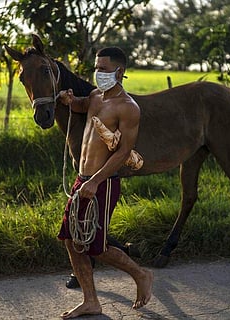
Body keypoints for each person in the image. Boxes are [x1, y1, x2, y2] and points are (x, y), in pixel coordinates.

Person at [57, 47, 153, 319]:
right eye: (97, 68)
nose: (98, 74)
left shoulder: (128, 108)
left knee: (96, 247)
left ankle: (141, 274)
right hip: (82, 179)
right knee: (70, 238)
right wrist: (70, 100)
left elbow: (123, 153)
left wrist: (96, 181)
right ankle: (91, 301)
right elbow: (83, 106)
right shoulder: (97, 96)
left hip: (103, 182)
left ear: (120, 72)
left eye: (104, 69)